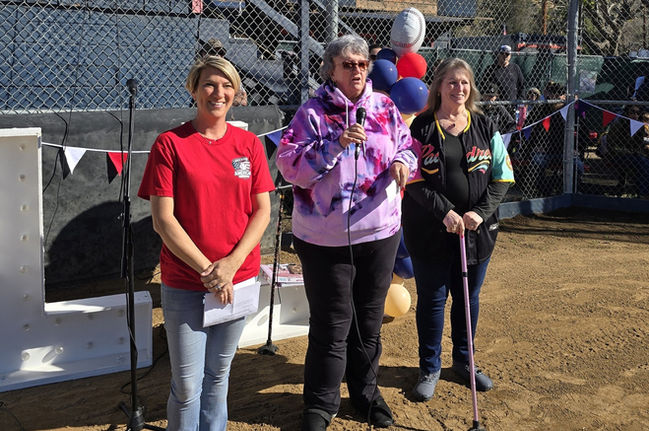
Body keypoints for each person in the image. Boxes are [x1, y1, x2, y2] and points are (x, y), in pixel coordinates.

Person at [275, 34, 417, 430]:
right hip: (325, 240)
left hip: (380, 234)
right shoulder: (312, 113)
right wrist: (335, 144)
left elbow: (407, 146)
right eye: (347, 64)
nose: (356, 70)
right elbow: (289, 166)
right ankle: (321, 404)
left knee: (369, 324)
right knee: (331, 326)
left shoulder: (384, 107)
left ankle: (366, 394)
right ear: (331, 70)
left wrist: (403, 162)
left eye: (361, 63)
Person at [138, 56, 274, 430]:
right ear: (194, 90)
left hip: (238, 281)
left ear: (236, 93)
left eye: (227, 85)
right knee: (186, 385)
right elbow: (163, 221)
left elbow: (262, 211)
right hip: (187, 282)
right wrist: (210, 271)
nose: (218, 92)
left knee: (218, 375)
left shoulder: (249, 144)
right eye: (210, 84)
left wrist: (230, 266)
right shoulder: (170, 144)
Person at [402, 58, 515, 402]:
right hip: (430, 231)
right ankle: (429, 367)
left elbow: (503, 176)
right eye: (451, 82)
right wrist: (445, 212)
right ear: (438, 86)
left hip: (476, 232)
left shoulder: (484, 124)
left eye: (464, 82)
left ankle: (465, 362)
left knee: (468, 298)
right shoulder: (420, 127)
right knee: (433, 300)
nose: (459, 89)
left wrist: (479, 213)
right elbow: (413, 179)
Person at [602, 105, 649, 197]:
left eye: (638, 113)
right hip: (618, 153)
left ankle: (640, 190)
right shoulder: (619, 123)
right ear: (627, 113)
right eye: (632, 112)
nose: (635, 115)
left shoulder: (639, 125)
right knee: (642, 163)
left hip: (634, 153)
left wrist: (639, 150)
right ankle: (643, 193)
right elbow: (612, 144)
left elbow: (639, 143)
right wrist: (628, 151)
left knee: (644, 161)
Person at [198, 38, 248, 106]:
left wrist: (221, 103)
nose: (217, 55)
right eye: (212, 52)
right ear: (204, 54)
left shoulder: (230, 73)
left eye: (220, 53)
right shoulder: (198, 73)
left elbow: (243, 100)